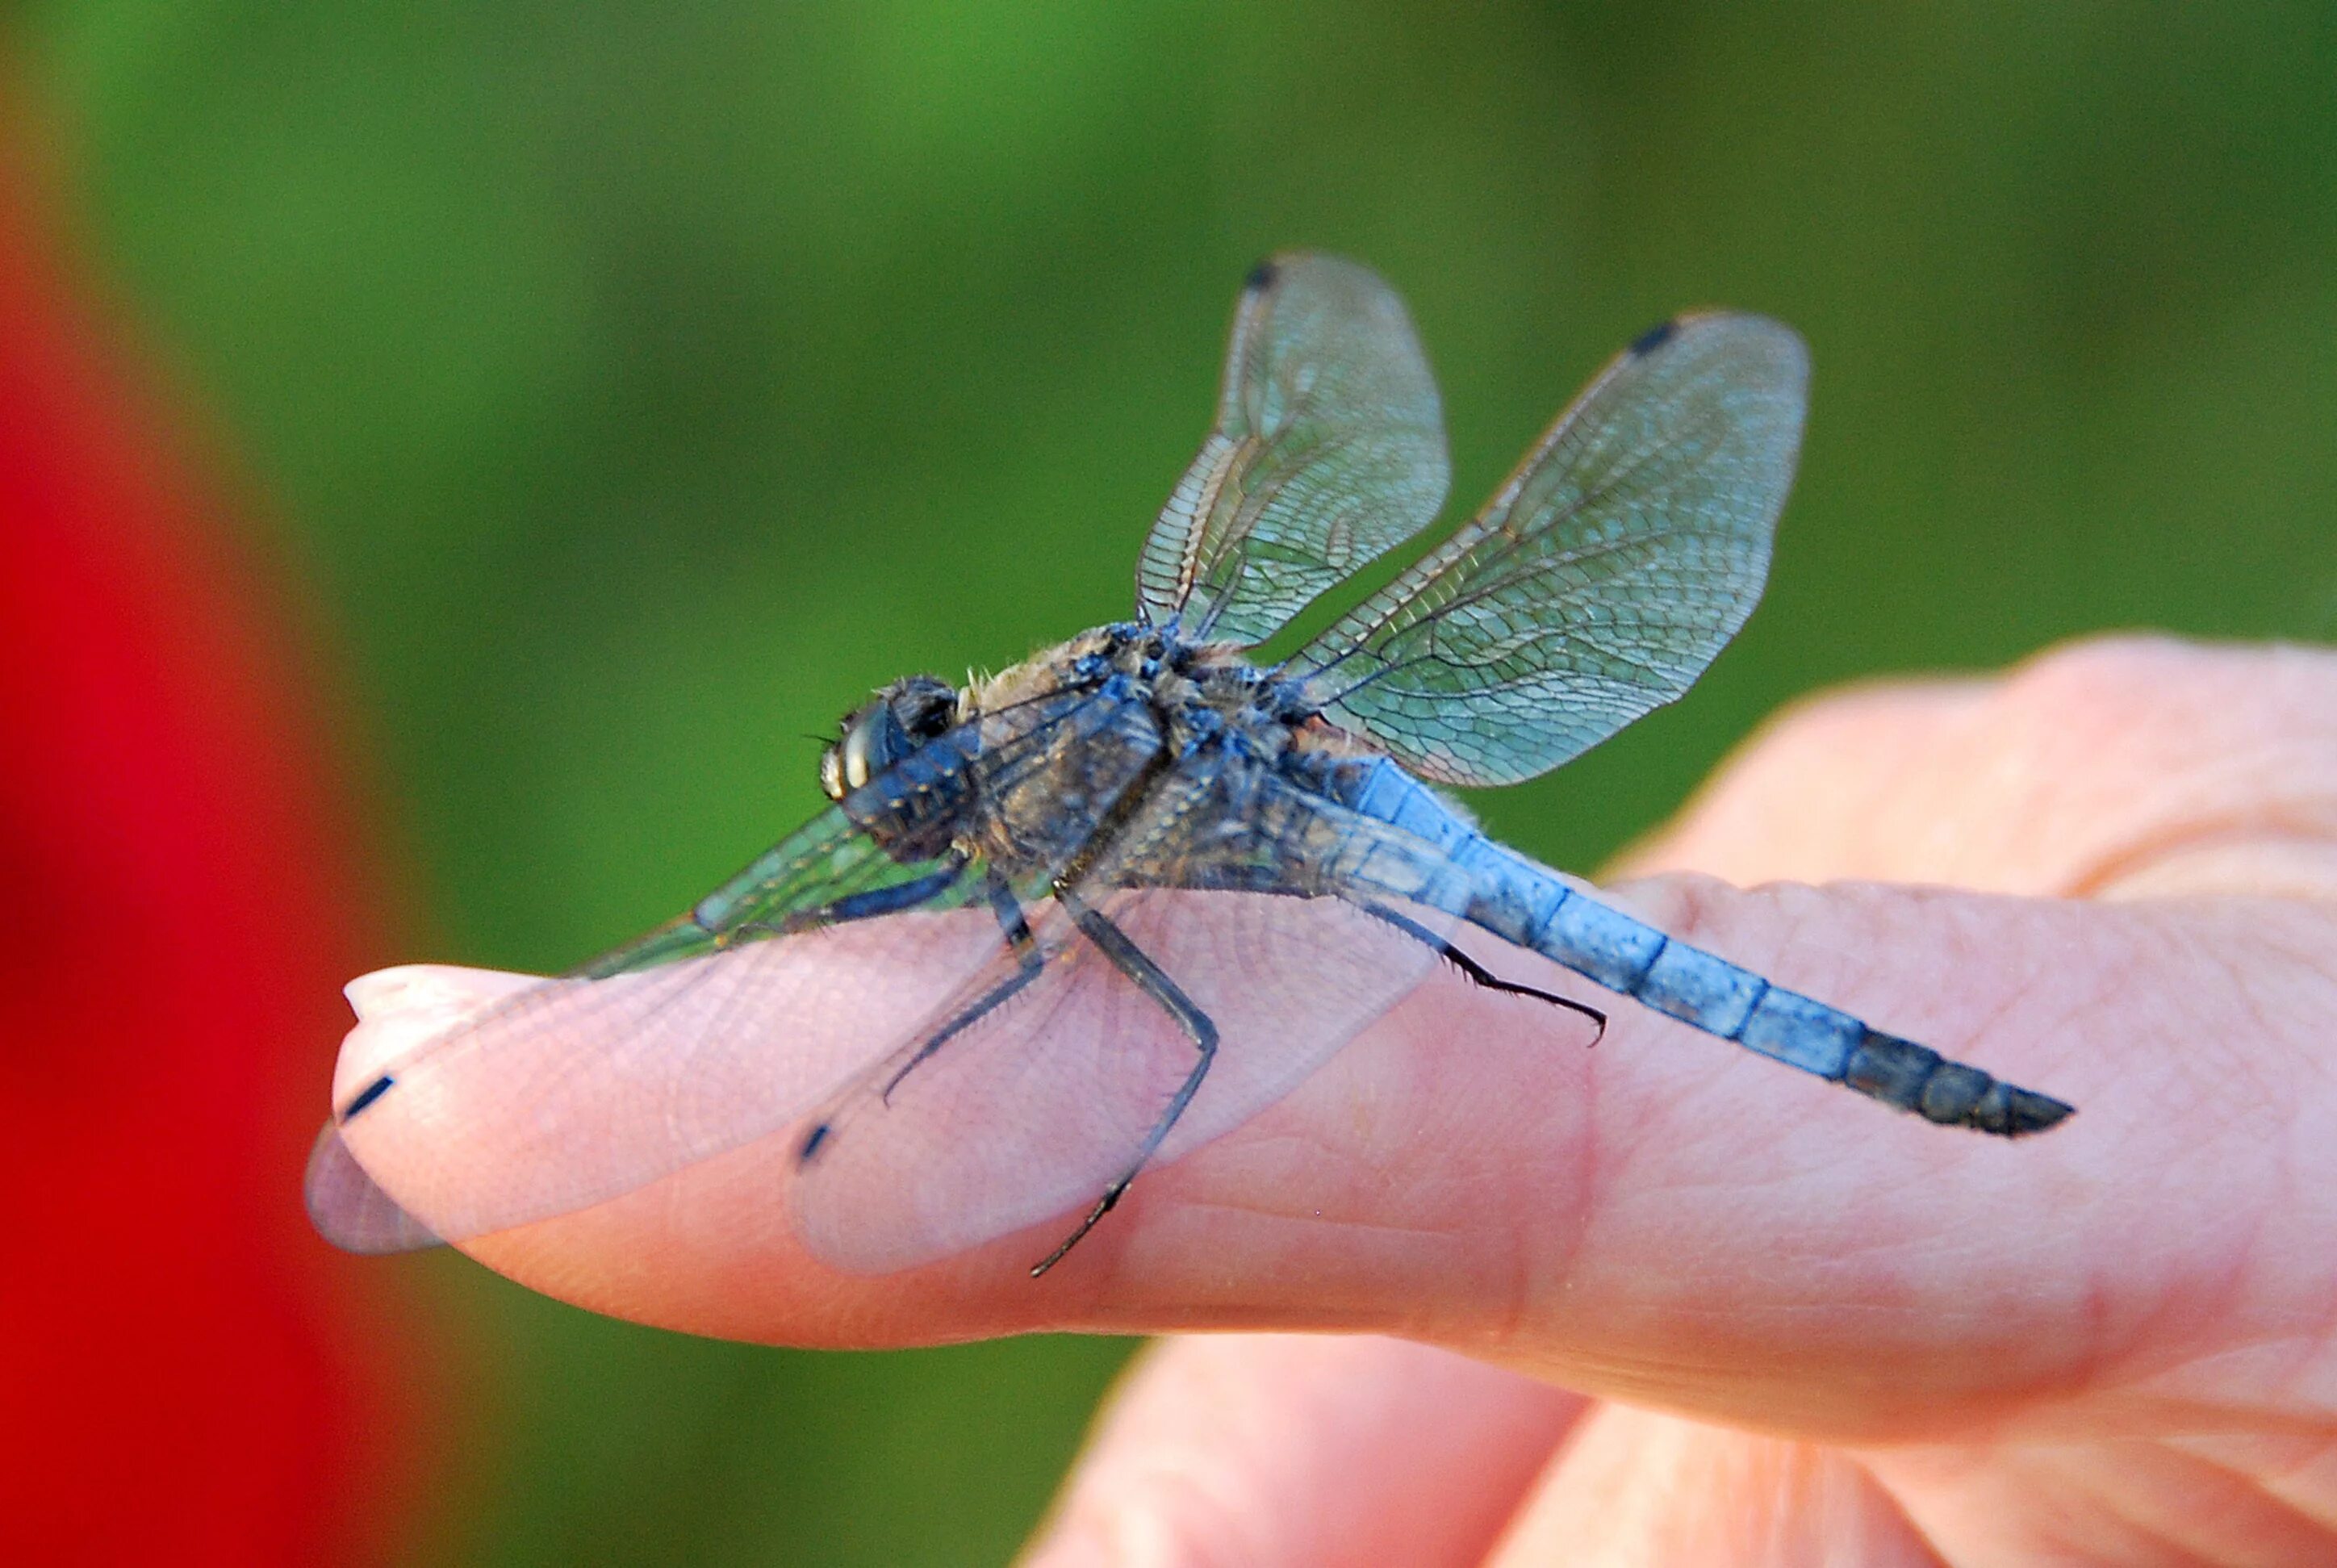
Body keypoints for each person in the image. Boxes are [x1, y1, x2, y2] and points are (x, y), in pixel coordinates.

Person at [379, 635, 2337, 1563]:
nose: (900, 789)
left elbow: (1078, 989)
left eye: (901, 769)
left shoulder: (1055, 790)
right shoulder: (1077, 755)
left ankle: (1937, 1087)